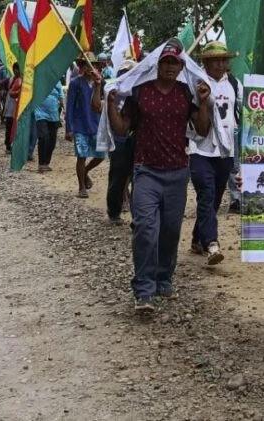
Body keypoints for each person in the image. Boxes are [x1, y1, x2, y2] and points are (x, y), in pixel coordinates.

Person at [106, 40, 212, 314]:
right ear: (157, 64)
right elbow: (121, 129)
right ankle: (143, 289)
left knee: (170, 232)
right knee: (145, 228)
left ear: (180, 67)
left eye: (174, 63)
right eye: (164, 62)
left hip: (177, 173)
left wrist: (204, 103)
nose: (168, 66)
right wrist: (110, 104)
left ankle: (164, 278)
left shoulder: (185, 94)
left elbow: (201, 131)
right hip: (146, 171)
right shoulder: (139, 93)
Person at [188, 41, 242, 265]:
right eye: (215, 60)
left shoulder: (234, 83)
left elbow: (244, 108)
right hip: (200, 148)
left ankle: (196, 239)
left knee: (214, 198)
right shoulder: (196, 82)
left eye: (223, 60)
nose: (221, 64)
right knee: (207, 194)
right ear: (206, 62)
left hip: (225, 150)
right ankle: (212, 244)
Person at [92, 59, 137, 224]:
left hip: (139, 143)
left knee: (139, 179)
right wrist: (98, 86)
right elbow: (97, 106)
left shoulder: (141, 93)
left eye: (130, 73)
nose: (127, 76)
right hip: (119, 143)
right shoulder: (112, 91)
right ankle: (114, 212)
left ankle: (138, 216)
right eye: (123, 73)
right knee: (118, 178)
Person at [65, 52, 106, 198]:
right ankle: (81, 186)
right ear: (82, 67)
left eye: (92, 65)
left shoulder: (101, 82)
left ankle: (86, 171)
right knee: (81, 156)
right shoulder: (76, 83)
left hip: (96, 123)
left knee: (101, 155)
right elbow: (69, 106)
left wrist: (98, 85)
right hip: (80, 125)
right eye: (86, 65)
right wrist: (69, 128)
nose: (90, 68)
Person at [34, 81, 63, 172]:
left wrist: (62, 105)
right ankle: (41, 163)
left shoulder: (56, 80)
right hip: (40, 112)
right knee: (43, 137)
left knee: (52, 140)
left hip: (54, 113)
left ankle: (46, 162)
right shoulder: (38, 77)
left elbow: (61, 95)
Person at [3, 63, 22, 155]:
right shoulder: (10, 79)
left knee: (17, 128)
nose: (16, 71)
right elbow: (0, 84)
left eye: (18, 69)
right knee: (9, 127)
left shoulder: (24, 80)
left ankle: (16, 146)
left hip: (19, 108)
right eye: (15, 69)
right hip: (10, 107)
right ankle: (8, 145)